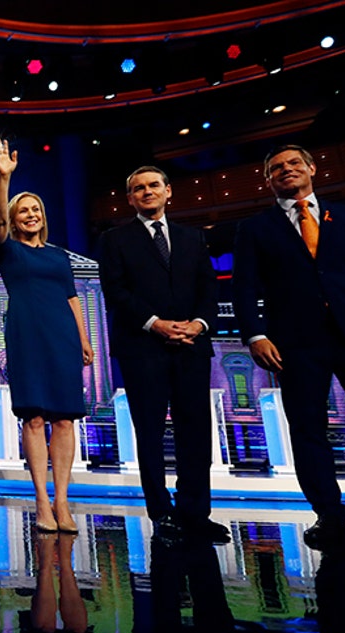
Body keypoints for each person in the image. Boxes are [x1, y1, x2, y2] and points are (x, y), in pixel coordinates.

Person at [232, 144, 345, 551]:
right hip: (295, 344)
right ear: (267, 180)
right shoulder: (255, 228)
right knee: (309, 431)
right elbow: (244, 288)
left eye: (294, 163)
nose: (286, 170)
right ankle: (329, 516)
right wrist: (255, 335)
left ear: (312, 168)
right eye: (276, 167)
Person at [97, 166, 228, 545]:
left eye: (154, 185)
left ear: (168, 191)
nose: (147, 192)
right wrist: (155, 323)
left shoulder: (193, 238)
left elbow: (208, 288)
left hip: (191, 345)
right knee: (150, 434)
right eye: (138, 188)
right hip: (142, 347)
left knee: (196, 432)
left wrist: (199, 324)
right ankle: (161, 512)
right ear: (130, 198)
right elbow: (116, 292)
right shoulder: (115, 239)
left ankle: (196, 512)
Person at [0, 142, 92, 534]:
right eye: (23, 210)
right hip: (26, 334)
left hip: (63, 335)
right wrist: (5, 178)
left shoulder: (59, 256)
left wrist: (83, 339)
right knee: (33, 417)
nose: (30, 215)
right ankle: (41, 502)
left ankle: (63, 502)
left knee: (65, 418)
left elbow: (72, 297)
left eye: (36, 210)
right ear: (15, 219)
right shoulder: (8, 250)